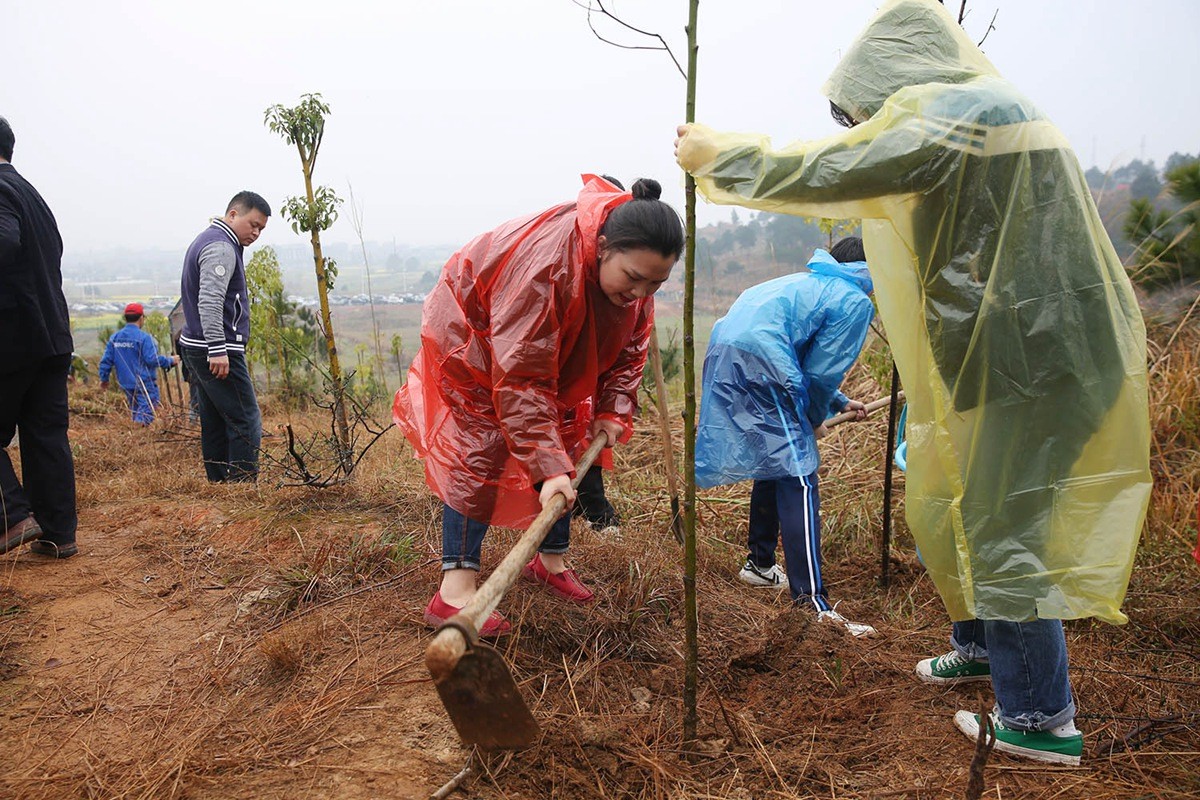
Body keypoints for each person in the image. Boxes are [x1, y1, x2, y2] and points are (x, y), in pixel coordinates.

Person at [675, 0, 1151, 766]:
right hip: (1024, 352)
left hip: (1028, 362)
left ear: (889, 73)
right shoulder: (995, 111)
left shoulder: (957, 113)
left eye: (866, 111)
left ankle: (1040, 716)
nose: (871, 124)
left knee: (1008, 529)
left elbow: (828, 171)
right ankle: (981, 646)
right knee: (959, 503)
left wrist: (717, 156)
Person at [395, 175, 683, 636]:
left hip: (542, 352)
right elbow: (523, 379)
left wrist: (612, 409)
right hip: (474, 341)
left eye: (656, 283)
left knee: (568, 434)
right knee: (482, 451)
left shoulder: (633, 282)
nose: (642, 293)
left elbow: (632, 348)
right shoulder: (545, 268)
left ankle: (549, 562)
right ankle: (455, 593)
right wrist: (548, 470)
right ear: (604, 246)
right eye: (634, 278)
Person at [696, 237, 876, 637]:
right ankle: (813, 606)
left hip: (729, 355)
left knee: (774, 461)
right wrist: (812, 418)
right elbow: (820, 373)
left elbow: (802, 355)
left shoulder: (813, 283)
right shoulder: (855, 300)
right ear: (871, 270)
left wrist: (838, 404)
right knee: (798, 475)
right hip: (764, 364)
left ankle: (760, 565)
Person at [0, 116, 79, 559]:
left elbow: (3, 242)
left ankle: (11, 515)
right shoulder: (32, 193)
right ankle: (56, 533)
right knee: (46, 436)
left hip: (12, 336)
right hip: (51, 335)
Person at [178, 191, 270, 482]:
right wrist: (217, 349)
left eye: (261, 229)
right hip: (216, 349)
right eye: (252, 224)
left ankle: (218, 482)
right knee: (246, 417)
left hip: (197, 345)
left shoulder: (210, 239)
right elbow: (210, 300)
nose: (255, 233)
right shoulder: (221, 247)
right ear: (233, 215)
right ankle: (241, 486)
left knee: (216, 417)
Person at [99, 302, 180, 425]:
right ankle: (139, 436)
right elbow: (152, 360)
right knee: (146, 412)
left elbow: (106, 361)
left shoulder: (115, 338)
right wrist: (170, 361)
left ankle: (134, 435)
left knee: (136, 410)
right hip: (144, 382)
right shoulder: (144, 338)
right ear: (141, 317)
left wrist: (104, 379)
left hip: (125, 383)